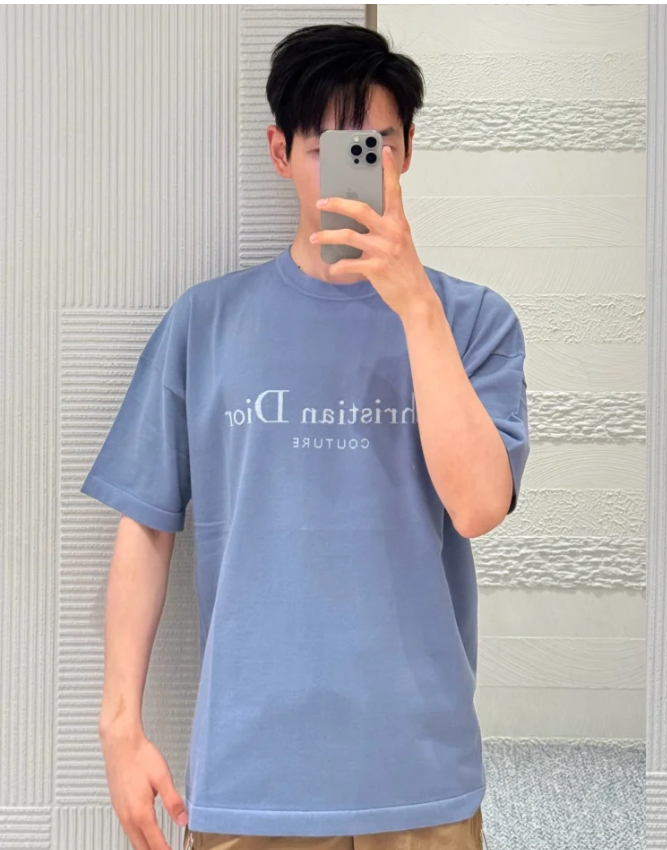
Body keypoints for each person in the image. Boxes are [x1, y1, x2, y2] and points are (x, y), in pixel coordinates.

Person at [81, 22, 529, 850]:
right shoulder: (205, 323)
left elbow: (476, 508)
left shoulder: (472, 321)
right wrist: (119, 727)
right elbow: (145, 526)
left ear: (406, 151)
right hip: (251, 778)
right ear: (280, 153)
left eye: (372, 145)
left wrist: (415, 308)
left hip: (420, 774)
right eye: (325, 147)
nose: (350, 167)